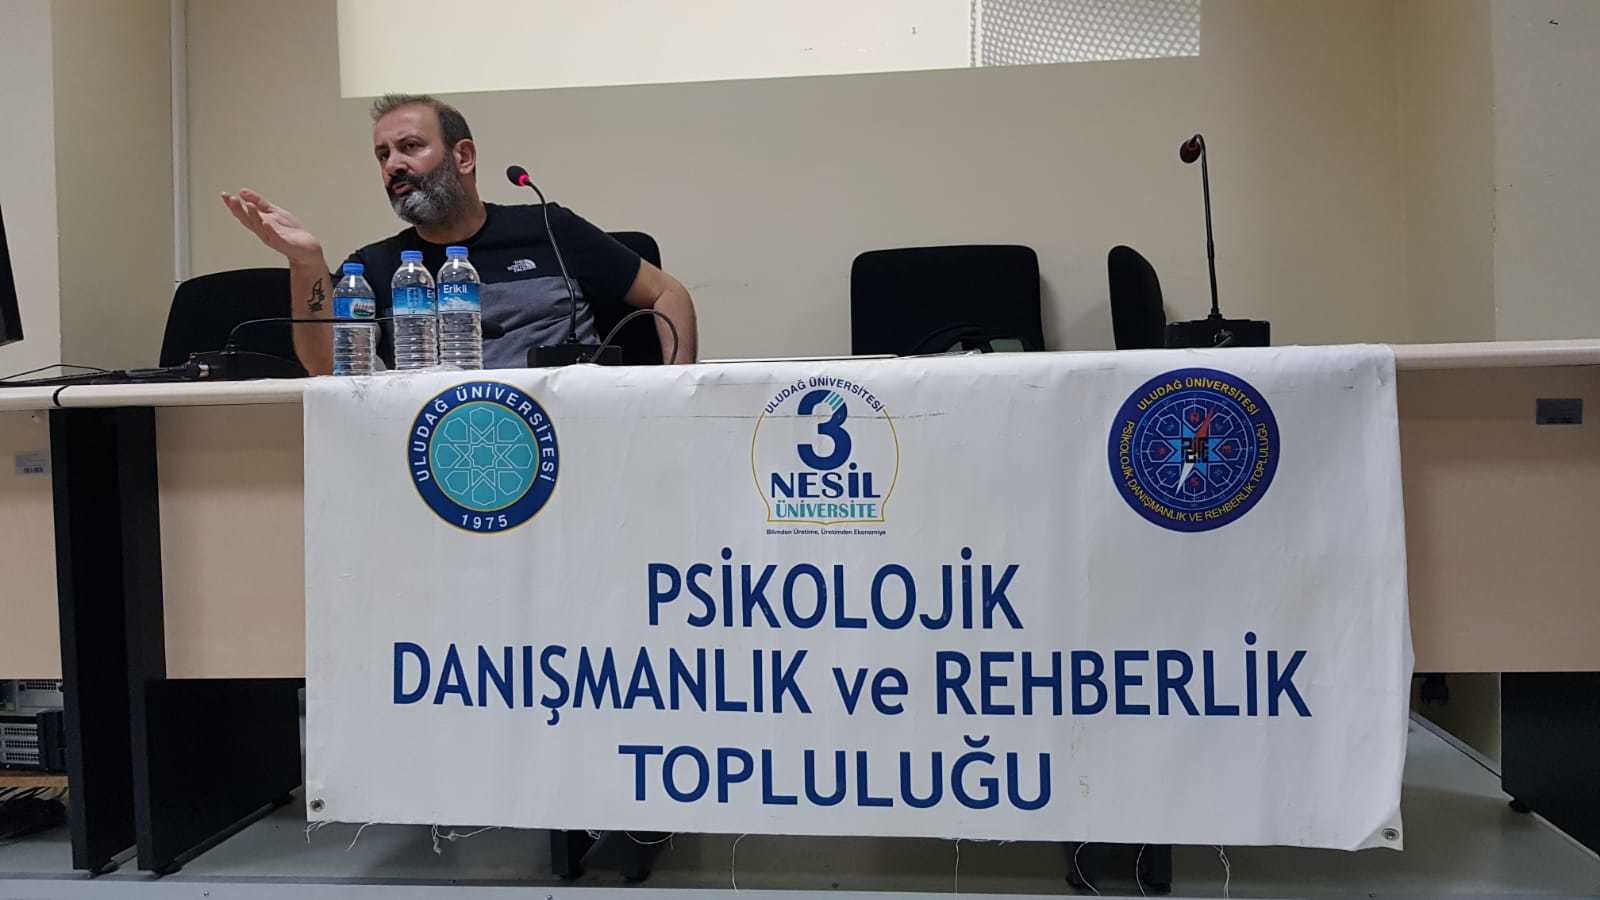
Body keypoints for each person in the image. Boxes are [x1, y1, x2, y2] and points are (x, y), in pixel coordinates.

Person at [221, 94, 697, 374]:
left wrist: (678, 400)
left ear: (463, 157)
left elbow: (669, 294)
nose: (393, 165)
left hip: (570, 433)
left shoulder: (549, 229)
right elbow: (325, 366)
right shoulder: (376, 266)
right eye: (383, 155)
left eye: (410, 147)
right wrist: (306, 262)